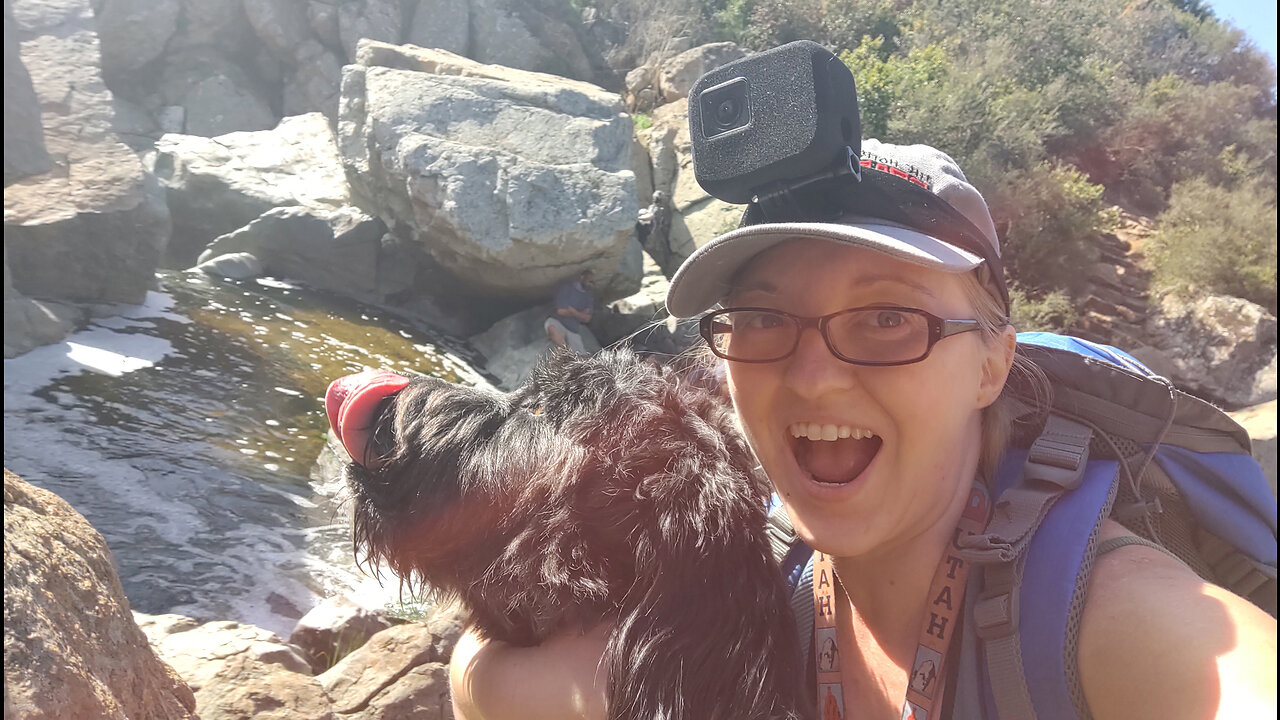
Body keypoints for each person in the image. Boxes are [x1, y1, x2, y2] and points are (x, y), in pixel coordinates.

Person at [449, 139, 1277, 719]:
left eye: (888, 317)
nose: (811, 375)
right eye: (763, 317)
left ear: (991, 365)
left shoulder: (1114, 623)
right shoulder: (753, 564)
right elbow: (476, 677)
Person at [544, 269, 595, 354]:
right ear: (582, 277)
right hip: (559, 323)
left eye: (592, 282)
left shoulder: (588, 296)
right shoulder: (567, 288)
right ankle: (565, 352)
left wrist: (573, 312)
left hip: (573, 330)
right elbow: (561, 311)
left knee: (582, 357)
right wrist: (580, 314)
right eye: (589, 281)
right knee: (550, 325)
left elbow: (587, 318)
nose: (590, 284)